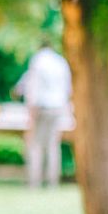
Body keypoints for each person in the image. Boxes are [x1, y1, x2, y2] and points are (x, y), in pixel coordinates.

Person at [15, 40, 72, 188]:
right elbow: (68, 89)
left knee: (35, 145)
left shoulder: (38, 60)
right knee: (53, 145)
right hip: (58, 107)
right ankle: (52, 181)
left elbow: (32, 88)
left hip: (41, 107)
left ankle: (35, 181)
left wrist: (31, 112)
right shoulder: (61, 62)